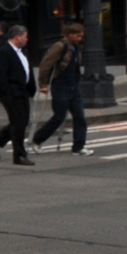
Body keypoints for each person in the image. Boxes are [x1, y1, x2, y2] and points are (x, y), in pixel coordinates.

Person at [31, 20, 90, 155]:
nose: (79, 39)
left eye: (81, 36)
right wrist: (43, 84)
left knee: (80, 117)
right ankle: (37, 140)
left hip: (73, 86)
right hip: (60, 86)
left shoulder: (76, 47)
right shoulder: (59, 46)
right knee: (59, 117)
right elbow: (45, 65)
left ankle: (79, 147)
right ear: (69, 34)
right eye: (77, 36)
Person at [0, 22, 36, 166]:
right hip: (12, 93)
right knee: (19, 123)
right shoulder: (4, 52)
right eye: (25, 37)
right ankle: (19, 155)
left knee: (21, 121)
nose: (27, 39)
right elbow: (0, 76)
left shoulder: (21, 52)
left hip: (23, 91)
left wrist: (31, 89)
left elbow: (26, 71)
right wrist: (7, 93)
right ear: (17, 37)